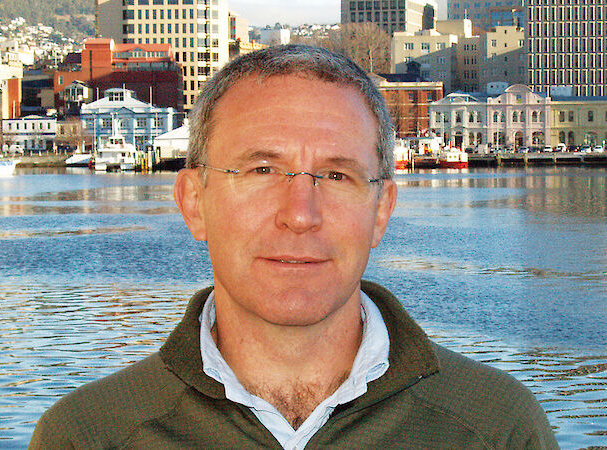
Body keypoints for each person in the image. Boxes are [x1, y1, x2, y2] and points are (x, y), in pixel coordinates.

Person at [30, 45, 557, 449]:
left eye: (335, 174)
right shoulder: (88, 436)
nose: (300, 214)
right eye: (262, 170)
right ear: (194, 202)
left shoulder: (496, 428)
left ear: (381, 212)